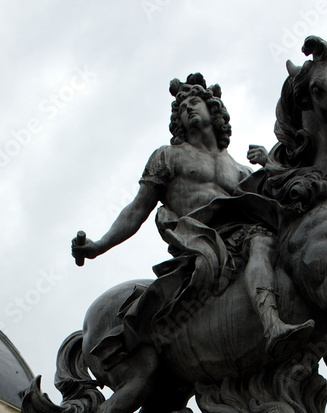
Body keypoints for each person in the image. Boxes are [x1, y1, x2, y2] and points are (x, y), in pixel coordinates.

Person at [72, 74, 313, 355]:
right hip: (200, 239)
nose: (188, 108)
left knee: (301, 254)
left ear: (214, 111)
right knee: (260, 241)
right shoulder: (168, 156)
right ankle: (271, 325)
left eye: (194, 101)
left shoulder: (240, 170)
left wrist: (270, 164)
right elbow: (137, 209)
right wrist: (99, 245)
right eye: (182, 106)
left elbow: (275, 205)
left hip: (240, 233)